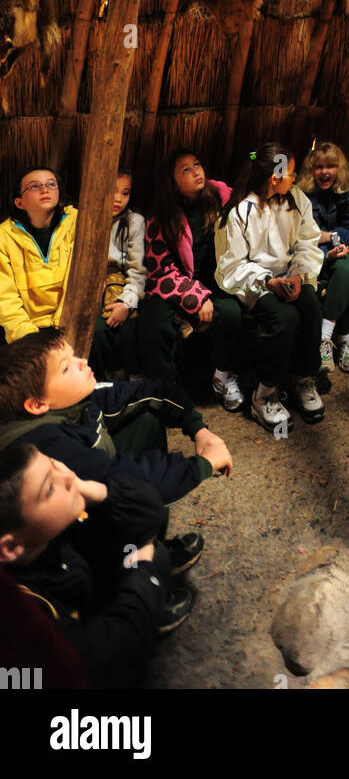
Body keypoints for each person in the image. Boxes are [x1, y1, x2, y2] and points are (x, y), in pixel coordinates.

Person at [0, 443, 191, 687]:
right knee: (152, 560)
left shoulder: (47, 534)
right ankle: (148, 613)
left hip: (86, 599)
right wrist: (141, 571)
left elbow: (148, 513)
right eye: (49, 488)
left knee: (137, 525)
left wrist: (95, 490)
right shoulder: (26, 615)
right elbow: (111, 652)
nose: (68, 476)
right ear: (10, 548)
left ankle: (147, 609)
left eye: (55, 466)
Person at [0, 328, 232, 506]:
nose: (81, 363)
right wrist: (203, 465)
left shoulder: (77, 398)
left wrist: (200, 430)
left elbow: (155, 390)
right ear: (38, 404)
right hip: (67, 545)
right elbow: (124, 482)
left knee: (146, 419)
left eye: (73, 356)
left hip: (96, 485)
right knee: (147, 543)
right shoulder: (46, 446)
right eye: (66, 368)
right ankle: (135, 561)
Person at [215, 144, 325, 431]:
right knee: (285, 319)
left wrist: (300, 275)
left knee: (311, 308)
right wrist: (267, 281)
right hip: (256, 285)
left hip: (290, 278)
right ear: (274, 178)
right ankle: (264, 394)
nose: (294, 179)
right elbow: (231, 267)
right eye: (290, 173)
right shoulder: (240, 212)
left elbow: (307, 243)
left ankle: (302, 379)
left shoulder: (297, 200)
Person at [137, 151, 245, 409]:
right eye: (185, 170)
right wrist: (195, 297)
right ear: (171, 182)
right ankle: (164, 389)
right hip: (177, 284)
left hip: (217, 278)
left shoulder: (220, 198)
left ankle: (223, 375)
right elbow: (160, 270)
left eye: (197, 164)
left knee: (230, 312)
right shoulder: (161, 216)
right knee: (152, 321)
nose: (196, 171)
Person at [298, 141, 349, 375]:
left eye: (331, 166)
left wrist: (334, 242)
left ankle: (325, 339)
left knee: (346, 269)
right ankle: (345, 340)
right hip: (310, 256)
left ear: (340, 169)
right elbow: (301, 235)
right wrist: (328, 242)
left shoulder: (347, 194)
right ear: (311, 170)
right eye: (319, 167)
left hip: (341, 250)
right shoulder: (302, 195)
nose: (325, 172)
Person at [0, 166, 77, 345]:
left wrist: (65, 326)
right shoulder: (4, 237)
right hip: (27, 324)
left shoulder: (76, 224)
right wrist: (28, 337)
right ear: (19, 203)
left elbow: (82, 278)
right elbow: (5, 298)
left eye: (51, 184)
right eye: (34, 186)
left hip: (69, 320)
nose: (45, 189)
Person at [89, 170, 146, 380]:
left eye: (125, 193)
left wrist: (126, 302)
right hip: (90, 284)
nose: (118, 198)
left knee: (129, 328)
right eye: (113, 191)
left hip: (122, 284)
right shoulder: (84, 216)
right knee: (97, 333)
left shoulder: (134, 221)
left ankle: (131, 388)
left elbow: (137, 269)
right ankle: (96, 385)